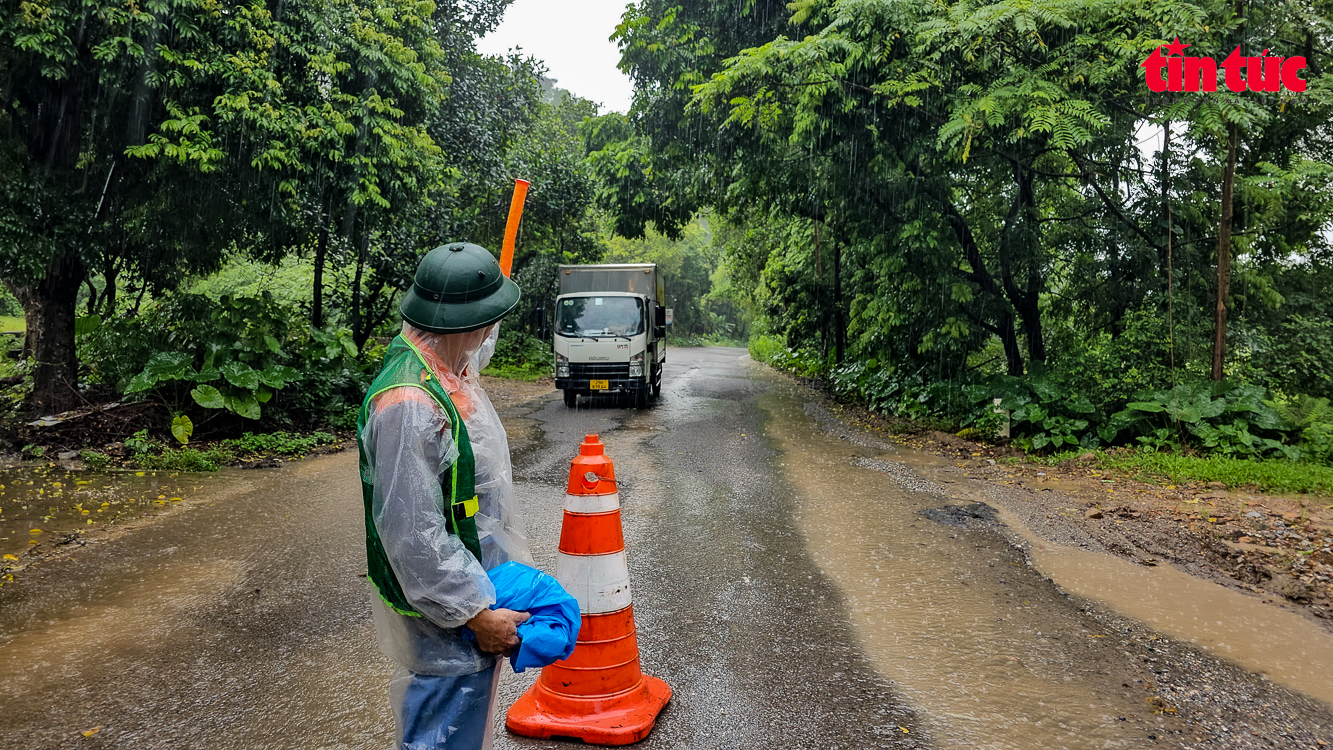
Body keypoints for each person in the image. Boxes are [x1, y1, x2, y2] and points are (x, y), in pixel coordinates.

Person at [356, 242, 535, 749]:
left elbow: (481, 341)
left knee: (462, 723)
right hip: (447, 609)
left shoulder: (441, 361)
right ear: (465, 325)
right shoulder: (409, 405)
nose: (488, 333)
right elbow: (414, 536)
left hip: (470, 583)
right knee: (442, 730)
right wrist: (474, 613)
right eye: (485, 320)